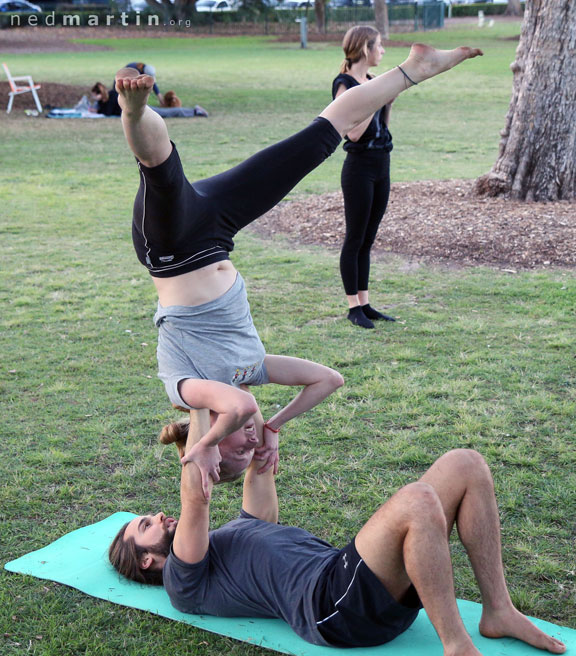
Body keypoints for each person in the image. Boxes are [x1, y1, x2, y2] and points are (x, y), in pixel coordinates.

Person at [115, 43, 483, 484]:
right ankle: (413, 69)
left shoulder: (186, 392)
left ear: (210, 438)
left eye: (238, 451)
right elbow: (329, 380)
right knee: (319, 139)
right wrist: (276, 426)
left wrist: (206, 446)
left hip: (172, 249)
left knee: (159, 167)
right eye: (250, 452)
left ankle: (132, 109)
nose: (250, 445)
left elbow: (241, 408)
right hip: (215, 236)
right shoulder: (252, 369)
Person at [109, 409, 567, 656]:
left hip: (346, 578)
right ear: (146, 560)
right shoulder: (184, 582)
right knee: (417, 500)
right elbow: (196, 502)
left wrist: (255, 426)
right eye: (146, 525)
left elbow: (258, 461)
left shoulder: (236, 533)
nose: (159, 515)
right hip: (331, 609)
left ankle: (498, 610)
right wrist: (197, 398)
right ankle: (458, 653)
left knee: (465, 463)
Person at [333, 26, 395, 329]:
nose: (382, 51)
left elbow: (381, 129)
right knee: (354, 237)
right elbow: (354, 133)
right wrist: (373, 98)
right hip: (358, 169)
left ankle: (365, 302)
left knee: (368, 239)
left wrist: (387, 103)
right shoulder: (345, 84)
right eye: (379, 46)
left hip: (382, 164)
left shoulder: (371, 83)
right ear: (365, 49)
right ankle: (352, 307)